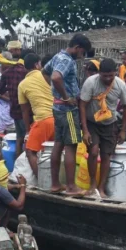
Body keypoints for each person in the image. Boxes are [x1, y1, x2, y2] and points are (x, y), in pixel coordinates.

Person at [44, 33, 92, 195]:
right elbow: (55, 77)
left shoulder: (58, 56)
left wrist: (56, 93)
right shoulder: (66, 60)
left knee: (58, 143)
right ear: (77, 48)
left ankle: (55, 184)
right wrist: (65, 96)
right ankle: (71, 187)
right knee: (71, 145)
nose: (82, 56)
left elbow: (45, 72)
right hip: (68, 109)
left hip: (58, 107)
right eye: (82, 52)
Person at [79, 58, 126, 197]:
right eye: (104, 76)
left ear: (115, 73)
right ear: (99, 73)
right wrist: (85, 130)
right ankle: (93, 185)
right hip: (92, 122)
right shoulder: (91, 82)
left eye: (110, 75)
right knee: (93, 152)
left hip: (110, 123)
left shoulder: (120, 85)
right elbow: (82, 105)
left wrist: (123, 130)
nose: (107, 78)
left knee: (106, 155)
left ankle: (101, 188)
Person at [18, 52, 55, 178]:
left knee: (30, 151)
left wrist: (28, 131)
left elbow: (24, 111)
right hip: (59, 118)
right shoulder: (47, 75)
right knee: (56, 151)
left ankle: (42, 180)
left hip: (43, 120)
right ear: (37, 65)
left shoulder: (22, 84)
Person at [0, 161, 26, 227]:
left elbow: (1, 184)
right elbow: (19, 206)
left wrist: (14, 186)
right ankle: (2, 227)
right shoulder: (1, 190)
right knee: (7, 204)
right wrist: (23, 186)